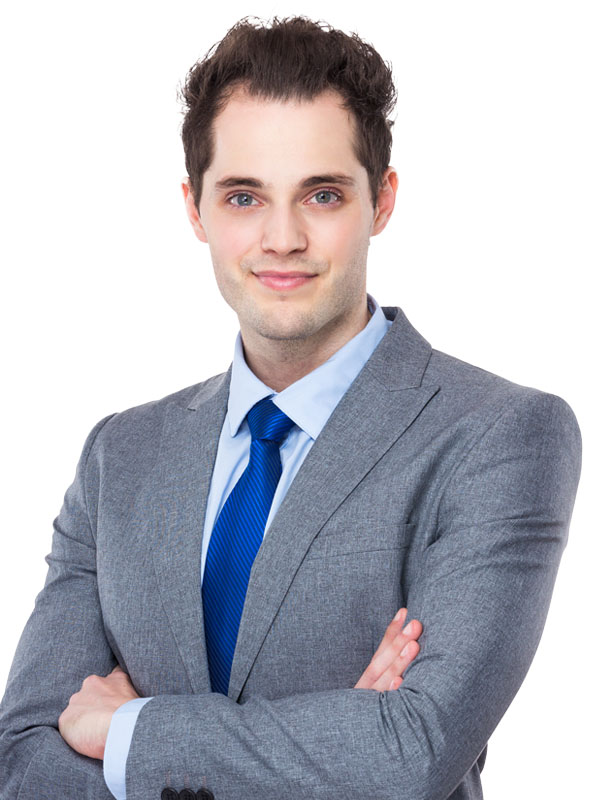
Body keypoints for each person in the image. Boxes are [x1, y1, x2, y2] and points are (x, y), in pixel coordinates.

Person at [0, 16, 582, 800]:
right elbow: (22, 763)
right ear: (195, 210)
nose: (282, 238)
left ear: (381, 201)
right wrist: (336, 747)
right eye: (244, 197)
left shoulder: (499, 438)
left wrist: (131, 731)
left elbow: (410, 754)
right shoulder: (120, 456)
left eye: (323, 195)